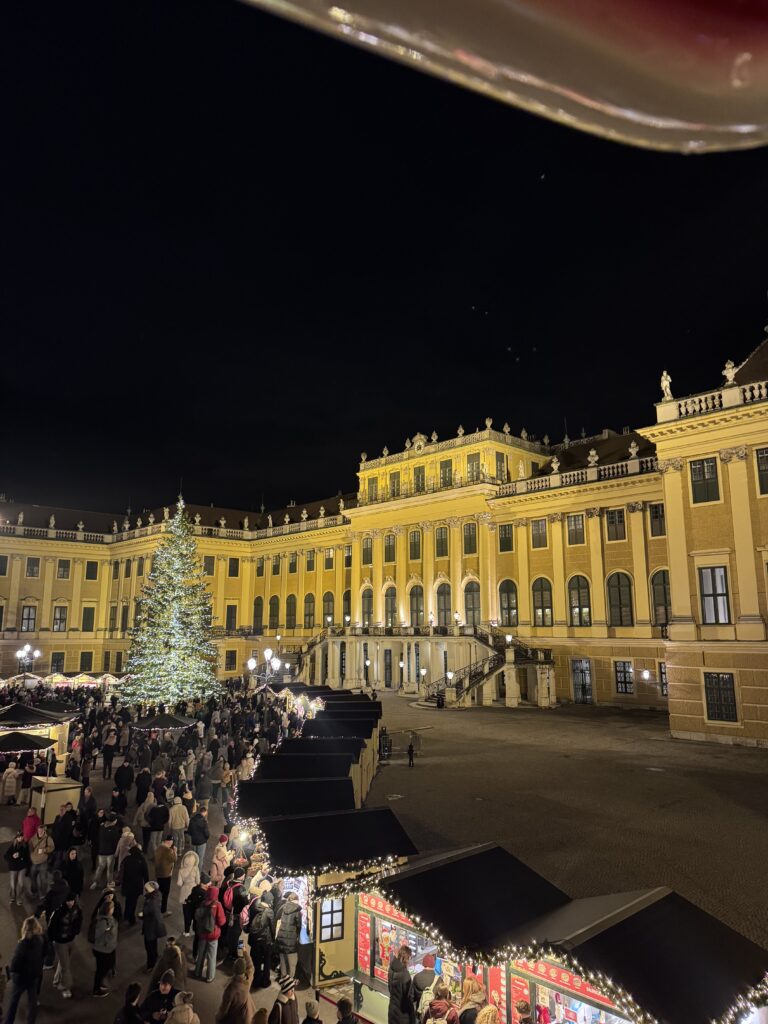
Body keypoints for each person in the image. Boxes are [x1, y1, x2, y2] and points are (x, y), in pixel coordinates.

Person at [6, 915, 45, 1024]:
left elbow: (15, 964)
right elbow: (45, 953)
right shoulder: (40, 940)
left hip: (21, 978)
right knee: (33, 1003)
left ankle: (9, 1022)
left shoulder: (22, 945)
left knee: (14, 1001)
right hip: (33, 977)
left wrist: (12, 973)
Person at [49, 890, 82, 999]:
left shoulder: (77, 910)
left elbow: (79, 922)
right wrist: (53, 938)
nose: (70, 903)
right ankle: (66, 987)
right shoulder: (59, 912)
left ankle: (57, 980)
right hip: (60, 942)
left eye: (72, 901)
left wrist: (75, 931)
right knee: (66, 966)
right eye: (68, 901)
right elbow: (51, 927)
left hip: (70, 939)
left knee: (64, 962)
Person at [214, 943, 255, 1024]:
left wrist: (218, 1018)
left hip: (234, 1018)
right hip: (246, 1015)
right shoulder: (248, 979)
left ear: (234, 970)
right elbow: (250, 966)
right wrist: (244, 951)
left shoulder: (231, 989)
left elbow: (223, 1009)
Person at [193, 883, 226, 982]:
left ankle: (197, 972)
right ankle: (209, 976)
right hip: (213, 934)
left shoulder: (203, 903)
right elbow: (221, 921)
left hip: (203, 933)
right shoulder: (217, 905)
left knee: (201, 954)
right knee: (211, 956)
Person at [92, 898, 119, 997]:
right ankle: (96, 989)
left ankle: (99, 983)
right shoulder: (102, 921)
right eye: (112, 907)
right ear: (108, 909)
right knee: (101, 969)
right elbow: (98, 935)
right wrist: (109, 931)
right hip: (102, 949)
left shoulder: (109, 918)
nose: (113, 909)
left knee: (107, 966)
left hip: (109, 948)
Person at [275, 890, 302, 980]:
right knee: (292, 962)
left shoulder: (283, 907)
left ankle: (283, 978)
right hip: (291, 940)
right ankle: (290, 980)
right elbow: (299, 925)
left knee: (283, 961)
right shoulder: (297, 910)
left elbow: (277, 916)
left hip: (281, 937)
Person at [92, 811, 121, 888]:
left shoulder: (102, 827)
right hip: (110, 853)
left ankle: (95, 882)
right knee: (110, 869)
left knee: (100, 867)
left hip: (101, 851)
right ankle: (109, 883)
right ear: (114, 821)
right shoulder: (114, 830)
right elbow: (116, 842)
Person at [122, 843, 149, 925]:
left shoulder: (126, 859)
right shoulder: (141, 860)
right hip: (137, 885)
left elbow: (122, 871)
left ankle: (126, 915)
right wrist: (146, 884)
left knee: (128, 900)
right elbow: (145, 873)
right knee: (133, 902)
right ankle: (131, 919)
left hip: (127, 883)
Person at [142, 881, 167, 969]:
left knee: (149, 947)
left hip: (150, 928)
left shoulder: (151, 902)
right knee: (153, 944)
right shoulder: (157, 896)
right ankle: (155, 957)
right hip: (153, 927)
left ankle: (150, 965)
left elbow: (152, 913)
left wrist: (144, 914)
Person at [388, 946, 416, 1024]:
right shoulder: (405, 975)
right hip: (402, 1016)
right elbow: (409, 999)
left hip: (392, 1010)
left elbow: (390, 989)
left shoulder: (391, 968)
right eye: (409, 958)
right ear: (407, 958)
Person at [177, 850, 200, 936]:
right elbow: (198, 881)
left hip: (185, 893)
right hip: (194, 892)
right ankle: (195, 930)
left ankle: (186, 931)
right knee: (195, 912)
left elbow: (179, 883)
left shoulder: (181, 870)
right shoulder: (195, 869)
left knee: (186, 914)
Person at [28, 824, 54, 898]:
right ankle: (34, 891)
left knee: (43, 880)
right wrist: (31, 852)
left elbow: (52, 847)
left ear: (44, 830)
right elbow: (29, 846)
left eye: (41, 830)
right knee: (32, 878)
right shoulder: (33, 838)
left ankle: (43, 894)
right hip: (34, 862)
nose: (40, 832)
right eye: (39, 830)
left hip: (43, 862)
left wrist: (44, 850)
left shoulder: (48, 839)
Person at [5, 832, 30, 906]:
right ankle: (13, 896)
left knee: (20, 883)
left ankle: (19, 898)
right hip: (13, 867)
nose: (20, 838)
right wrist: (12, 856)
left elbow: (27, 858)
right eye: (19, 837)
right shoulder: (12, 846)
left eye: (21, 837)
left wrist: (27, 867)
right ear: (16, 838)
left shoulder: (25, 846)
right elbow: (6, 856)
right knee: (12, 883)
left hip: (22, 867)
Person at [154, 834, 177, 914]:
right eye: (171, 841)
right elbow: (174, 859)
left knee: (160, 890)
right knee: (165, 892)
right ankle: (163, 910)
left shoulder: (159, 847)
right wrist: (175, 851)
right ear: (168, 841)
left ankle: (157, 906)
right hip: (166, 874)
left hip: (159, 873)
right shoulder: (168, 850)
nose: (172, 843)